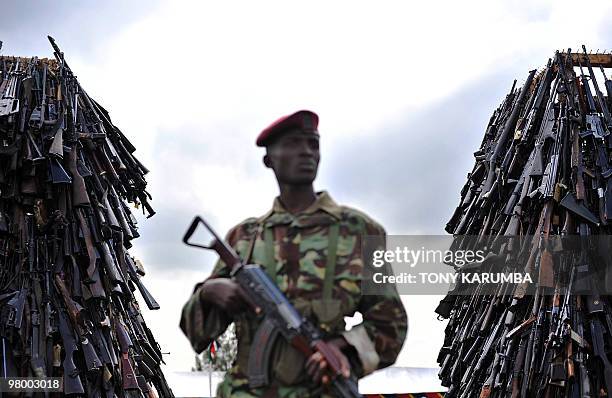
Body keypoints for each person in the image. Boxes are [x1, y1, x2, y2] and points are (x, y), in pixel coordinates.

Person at [180, 110, 407, 397]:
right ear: (268, 160)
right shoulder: (245, 238)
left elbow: (391, 324)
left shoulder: (360, 231)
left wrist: (342, 349)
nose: (306, 152)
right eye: (293, 144)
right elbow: (198, 335)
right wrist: (209, 293)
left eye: (313, 144)